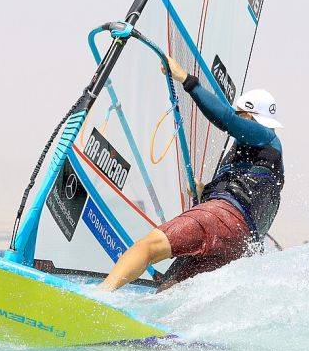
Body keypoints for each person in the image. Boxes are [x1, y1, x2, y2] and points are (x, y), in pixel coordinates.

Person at [100, 55, 285, 292]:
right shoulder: (266, 159)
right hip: (237, 245)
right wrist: (206, 190)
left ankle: (99, 297)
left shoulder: (266, 137)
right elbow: (249, 197)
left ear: (249, 116)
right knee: (168, 291)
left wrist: (187, 81)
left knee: (149, 246)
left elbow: (227, 120)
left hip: (221, 219)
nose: (237, 118)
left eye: (240, 114)